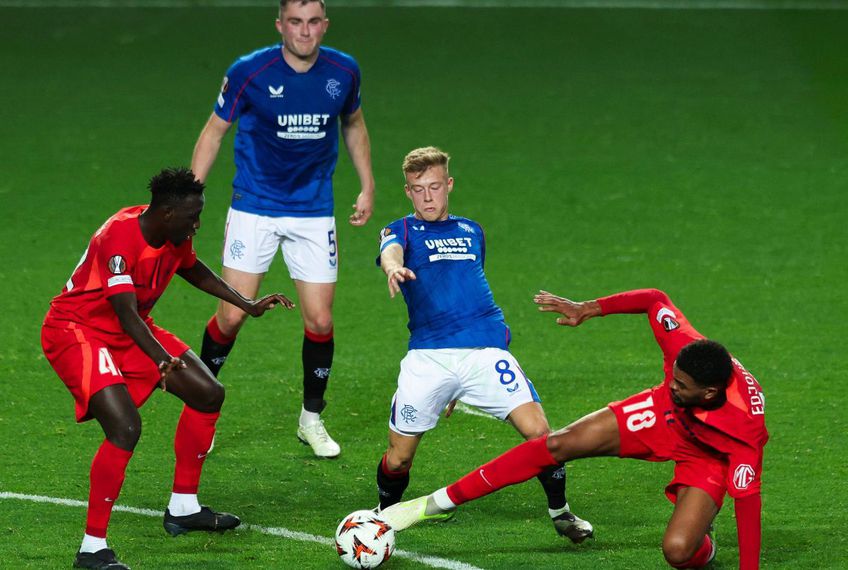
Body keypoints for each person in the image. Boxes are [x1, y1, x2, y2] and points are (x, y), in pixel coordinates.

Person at [382, 288, 768, 569]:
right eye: (673, 376)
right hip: (663, 417)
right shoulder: (684, 351)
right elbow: (655, 299)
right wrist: (589, 308)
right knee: (558, 443)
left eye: (682, 385)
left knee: (679, 552)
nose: (672, 383)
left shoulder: (743, 431)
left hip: (709, 456)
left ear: (710, 393)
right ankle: (432, 504)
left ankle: (704, 540)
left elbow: (748, 507)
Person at [41, 167, 294, 569]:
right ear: (166, 214)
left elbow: (191, 268)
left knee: (208, 393)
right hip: (78, 331)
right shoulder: (118, 238)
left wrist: (245, 302)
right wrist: (161, 358)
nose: (197, 225)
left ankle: (183, 507)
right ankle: (92, 549)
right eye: (192, 218)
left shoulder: (174, 234)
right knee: (124, 427)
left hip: (133, 329)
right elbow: (125, 313)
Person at [374, 147, 593, 542]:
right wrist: (393, 267)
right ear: (407, 191)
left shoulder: (472, 230)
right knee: (399, 456)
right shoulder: (400, 231)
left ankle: (561, 512)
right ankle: (383, 514)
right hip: (429, 358)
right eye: (418, 189)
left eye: (435, 187)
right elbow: (389, 250)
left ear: (449, 185)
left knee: (542, 436)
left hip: (486, 353)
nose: (427, 197)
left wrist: (468, 375)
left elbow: (469, 285)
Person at [190, 0, 375, 458]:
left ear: (325, 26)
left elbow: (353, 123)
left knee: (320, 320)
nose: (305, 31)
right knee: (231, 314)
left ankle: (311, 419)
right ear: (280, 26)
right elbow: (214, 131)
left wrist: (368, 184)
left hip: (313, 211)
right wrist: (191, 196)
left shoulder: (344, 72)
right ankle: (202, 408)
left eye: (313, 22)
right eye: (296, 22)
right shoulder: (250, 71)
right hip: (254, 207)